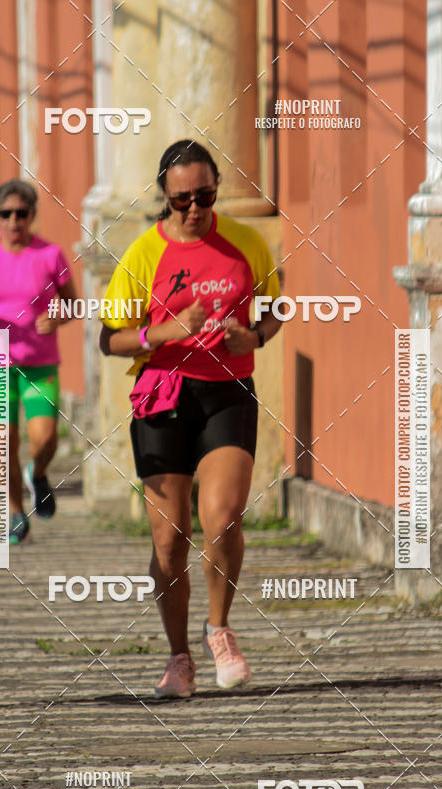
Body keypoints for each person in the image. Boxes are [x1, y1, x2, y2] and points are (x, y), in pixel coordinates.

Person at [99, 139, 281, 699]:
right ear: (166, 196)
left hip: (227, 391)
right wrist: (166, 331)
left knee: (222, 519)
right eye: (182, 200)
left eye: (205, 196)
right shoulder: (143, 254)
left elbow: (275, 308)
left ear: (217, 189)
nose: (195, 208)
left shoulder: (247, 244)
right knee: (170, 539)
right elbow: (110, 339)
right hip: (163, 396)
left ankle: (219, 629)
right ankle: (179, 658)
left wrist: (256, 336)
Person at [0, 179, 77, 544]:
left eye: (21, 213)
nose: (14, 220)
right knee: (2, 441)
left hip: (39, 361)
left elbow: (74, 303)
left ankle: (37, 473)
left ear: (32, 215)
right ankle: (15, 511)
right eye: (6, 213)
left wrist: (57, 318)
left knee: (45, 438)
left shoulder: (50, 255)